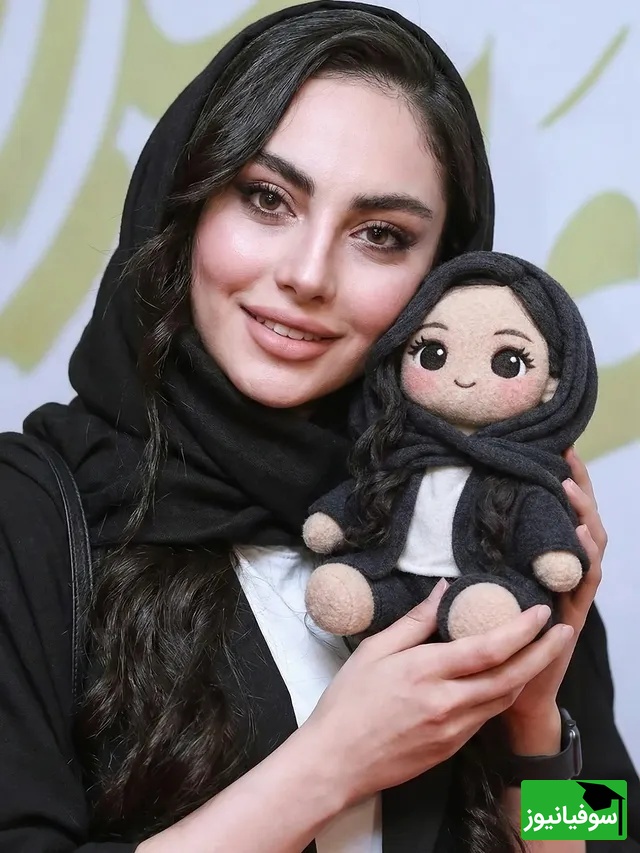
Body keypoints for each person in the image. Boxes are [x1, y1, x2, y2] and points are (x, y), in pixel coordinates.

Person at [0, 3, 637, 852]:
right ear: (188, 201)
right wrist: (331, 763)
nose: (307, 274)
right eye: (267, 198)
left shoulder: (484, 519)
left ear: (443, 278)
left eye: (380, 235)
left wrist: (535, 717)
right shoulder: (33, 517)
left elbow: (612, 824)